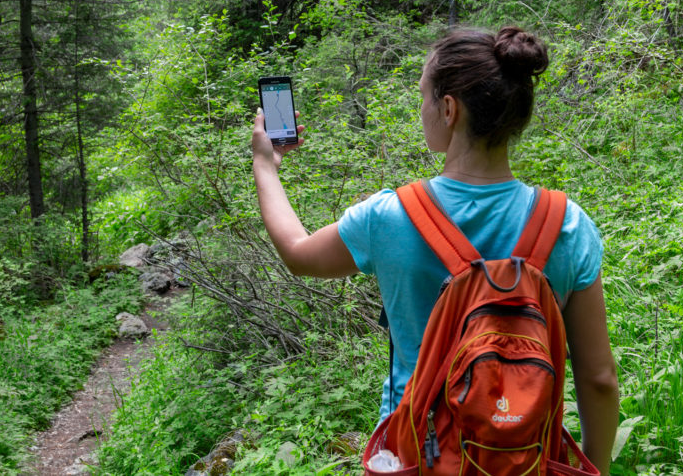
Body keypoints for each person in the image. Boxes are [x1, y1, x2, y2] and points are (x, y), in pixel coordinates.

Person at [251, 27, 619, 474]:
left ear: (449, 109)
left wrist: (265, 166)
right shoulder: (567, 224)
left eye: (424, 95)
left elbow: (297, 253)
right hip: (524, 460)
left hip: (419, 457)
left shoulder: (389, 217)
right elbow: (598, 381)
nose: (421, 107)